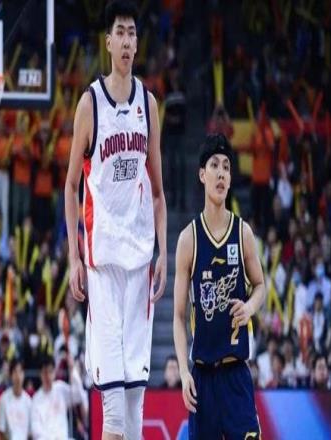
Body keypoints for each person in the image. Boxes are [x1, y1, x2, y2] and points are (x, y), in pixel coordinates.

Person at [64, 1, 167, 438]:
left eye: (132, 33)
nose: (126, 41)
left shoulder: (149, 104)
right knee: (113, 412)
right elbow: (71, 185)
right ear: (108, 43)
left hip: (140, 263)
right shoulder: (90, 104)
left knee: (136, 404)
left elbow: (158, 192)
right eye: (119, 33)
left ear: (137, 44)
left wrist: (162, 251)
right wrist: (74, 257)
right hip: (103, 264)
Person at [173, 133, 265, 438]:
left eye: (226, 166)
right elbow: (178, 316)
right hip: (202, 378)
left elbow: (261, 285)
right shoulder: (188, 239)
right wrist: (183, 372)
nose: (222, 173)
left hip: (236, 374)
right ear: (202, 174)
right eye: (215, 165)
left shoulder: (243, 232)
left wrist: (250, 307)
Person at [31, 355, 87, 440]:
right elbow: (36, 430)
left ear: (54, 372)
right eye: (45, 372)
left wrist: (73, 370)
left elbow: (79, 396)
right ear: (40, 374)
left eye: (50, 372)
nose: (47, 376)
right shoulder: (36, 399)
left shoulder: (60, 388)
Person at [0, 358, 33, 440]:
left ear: (24, 374)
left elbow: (30, 434)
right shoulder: (4, 399)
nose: (18, 376)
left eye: (20, 372)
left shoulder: (28, 402)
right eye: (15, 372)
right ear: (11, 375)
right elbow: (0, 431)